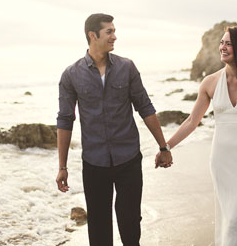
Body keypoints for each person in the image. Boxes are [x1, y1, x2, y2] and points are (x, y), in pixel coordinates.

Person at [55, 13, 173, 246]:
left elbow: (145, 107)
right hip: (94, 163)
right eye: (109, 32)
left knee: (130, 226)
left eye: (113, 31)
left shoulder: (126, 67)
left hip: (128, 159)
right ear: (92, 35)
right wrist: (62, 167)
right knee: (98, 232)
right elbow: (65, 120)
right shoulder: (71, 75)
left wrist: (163, 146)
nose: (114, 36)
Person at [164, 26, 237, 245]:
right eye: (221, 42)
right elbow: (192, 121)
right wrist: (166, 146)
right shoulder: (210, 83)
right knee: (232, 220)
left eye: (229, 43)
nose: (223, 47)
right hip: (223, 164)